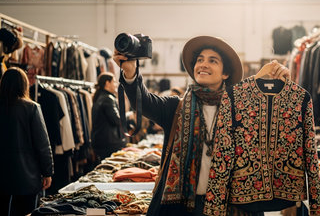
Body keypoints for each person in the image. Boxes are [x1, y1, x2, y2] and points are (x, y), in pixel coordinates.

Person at [114, 36, 291, 215]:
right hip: (184, 207)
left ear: (225, 74)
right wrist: (130, 73)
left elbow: (280, 130)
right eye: (200, 60)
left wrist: (282, 86)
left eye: (212, 60)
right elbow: (143, 102)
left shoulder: (244, 110)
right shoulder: (176, 108)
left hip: (231, 207)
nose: (203, 64)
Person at [0, 67, 53, 216]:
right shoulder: (31, 108)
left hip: (2, 174)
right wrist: (47, 172)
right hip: (27, 174)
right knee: (27, 212)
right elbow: (42, 144)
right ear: (24, 84)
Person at [91, 72, 126, 161]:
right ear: (107, 83)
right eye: (114, 82)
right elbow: (116, 120)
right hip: (109, 143)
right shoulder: (108, 99)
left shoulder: (100, 97)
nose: (115, 85)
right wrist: (128, 117)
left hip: (102, 141)